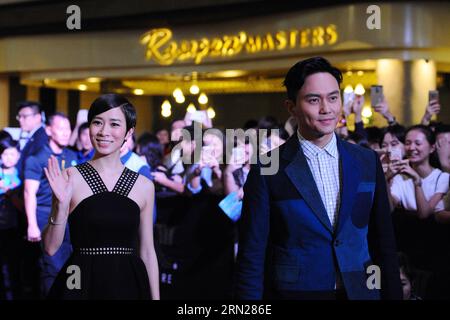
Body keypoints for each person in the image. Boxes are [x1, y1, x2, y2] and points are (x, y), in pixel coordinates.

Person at [234, 56, 402, 300]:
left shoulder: (367, 161)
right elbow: (252, 253)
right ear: (291, 107)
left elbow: (383, 242)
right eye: (314, 100)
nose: (327, 109)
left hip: (361, 291)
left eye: (333, 98)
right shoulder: (267, 168)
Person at [42, 93, 159, 299]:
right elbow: (51, 248)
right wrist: (60, 206)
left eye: (114, 124)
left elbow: (148, 251)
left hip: (128, 282)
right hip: (78, 279)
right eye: (97, 122)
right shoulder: (70, 177)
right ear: (89, 128)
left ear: (128, 132)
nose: (104, 131)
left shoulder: (144, 186)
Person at [24, 112, 77, 296]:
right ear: (49, 130)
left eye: (68, 128)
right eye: (60, 128)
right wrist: (32, 225)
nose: (65, 132)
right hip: (45, 215)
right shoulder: (37, 158)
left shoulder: (72, 155)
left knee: (70, 264)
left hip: (69, 216)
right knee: (51, 265)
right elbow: (29, 193)